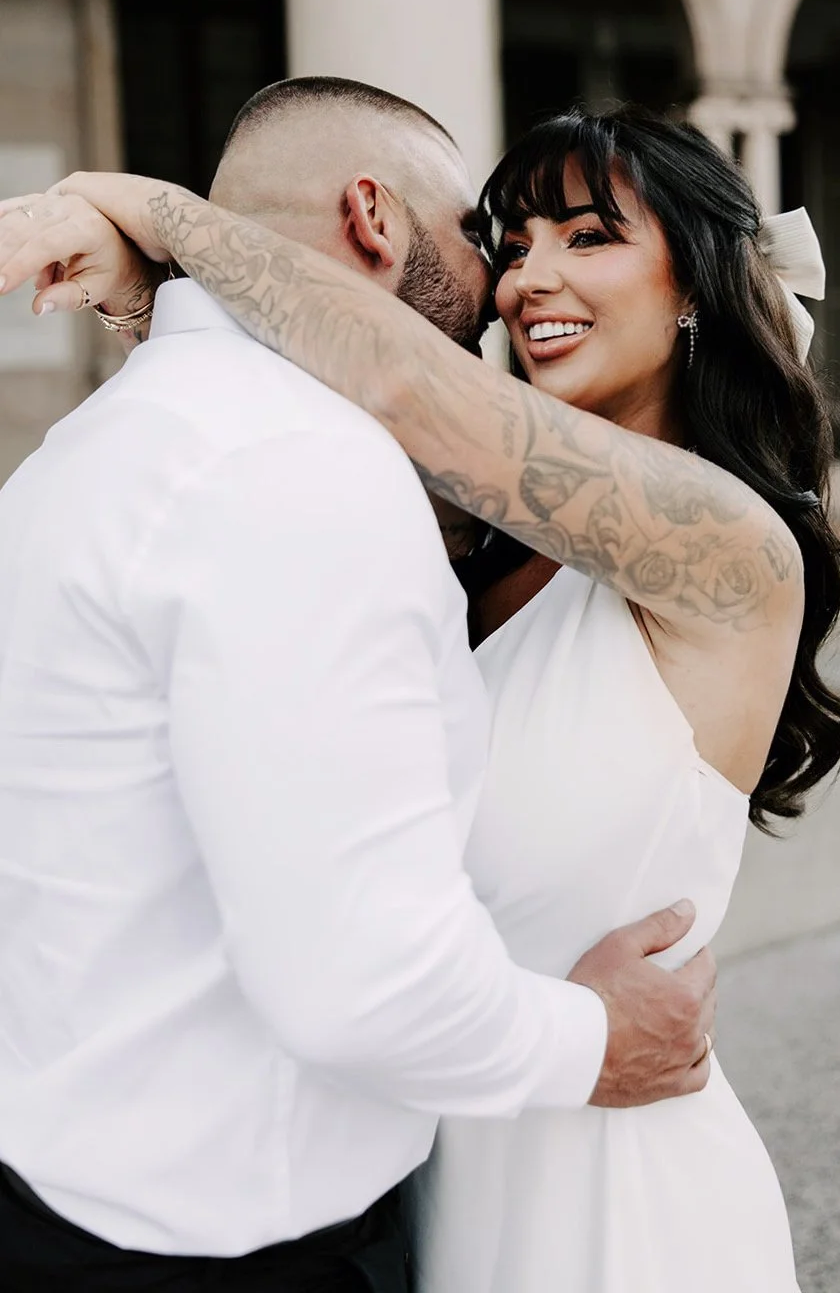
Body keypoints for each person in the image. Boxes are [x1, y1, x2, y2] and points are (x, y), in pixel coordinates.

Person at [0, 82, 722, 1293]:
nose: (502, 295)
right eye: (483, 240)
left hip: (76, 1185)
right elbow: (362, 984)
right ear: (376, 222)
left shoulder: (86, 452)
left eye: (581, 239)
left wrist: (151, 256)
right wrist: (599, 1037)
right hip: (228, 1250)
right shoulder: (302, 474)